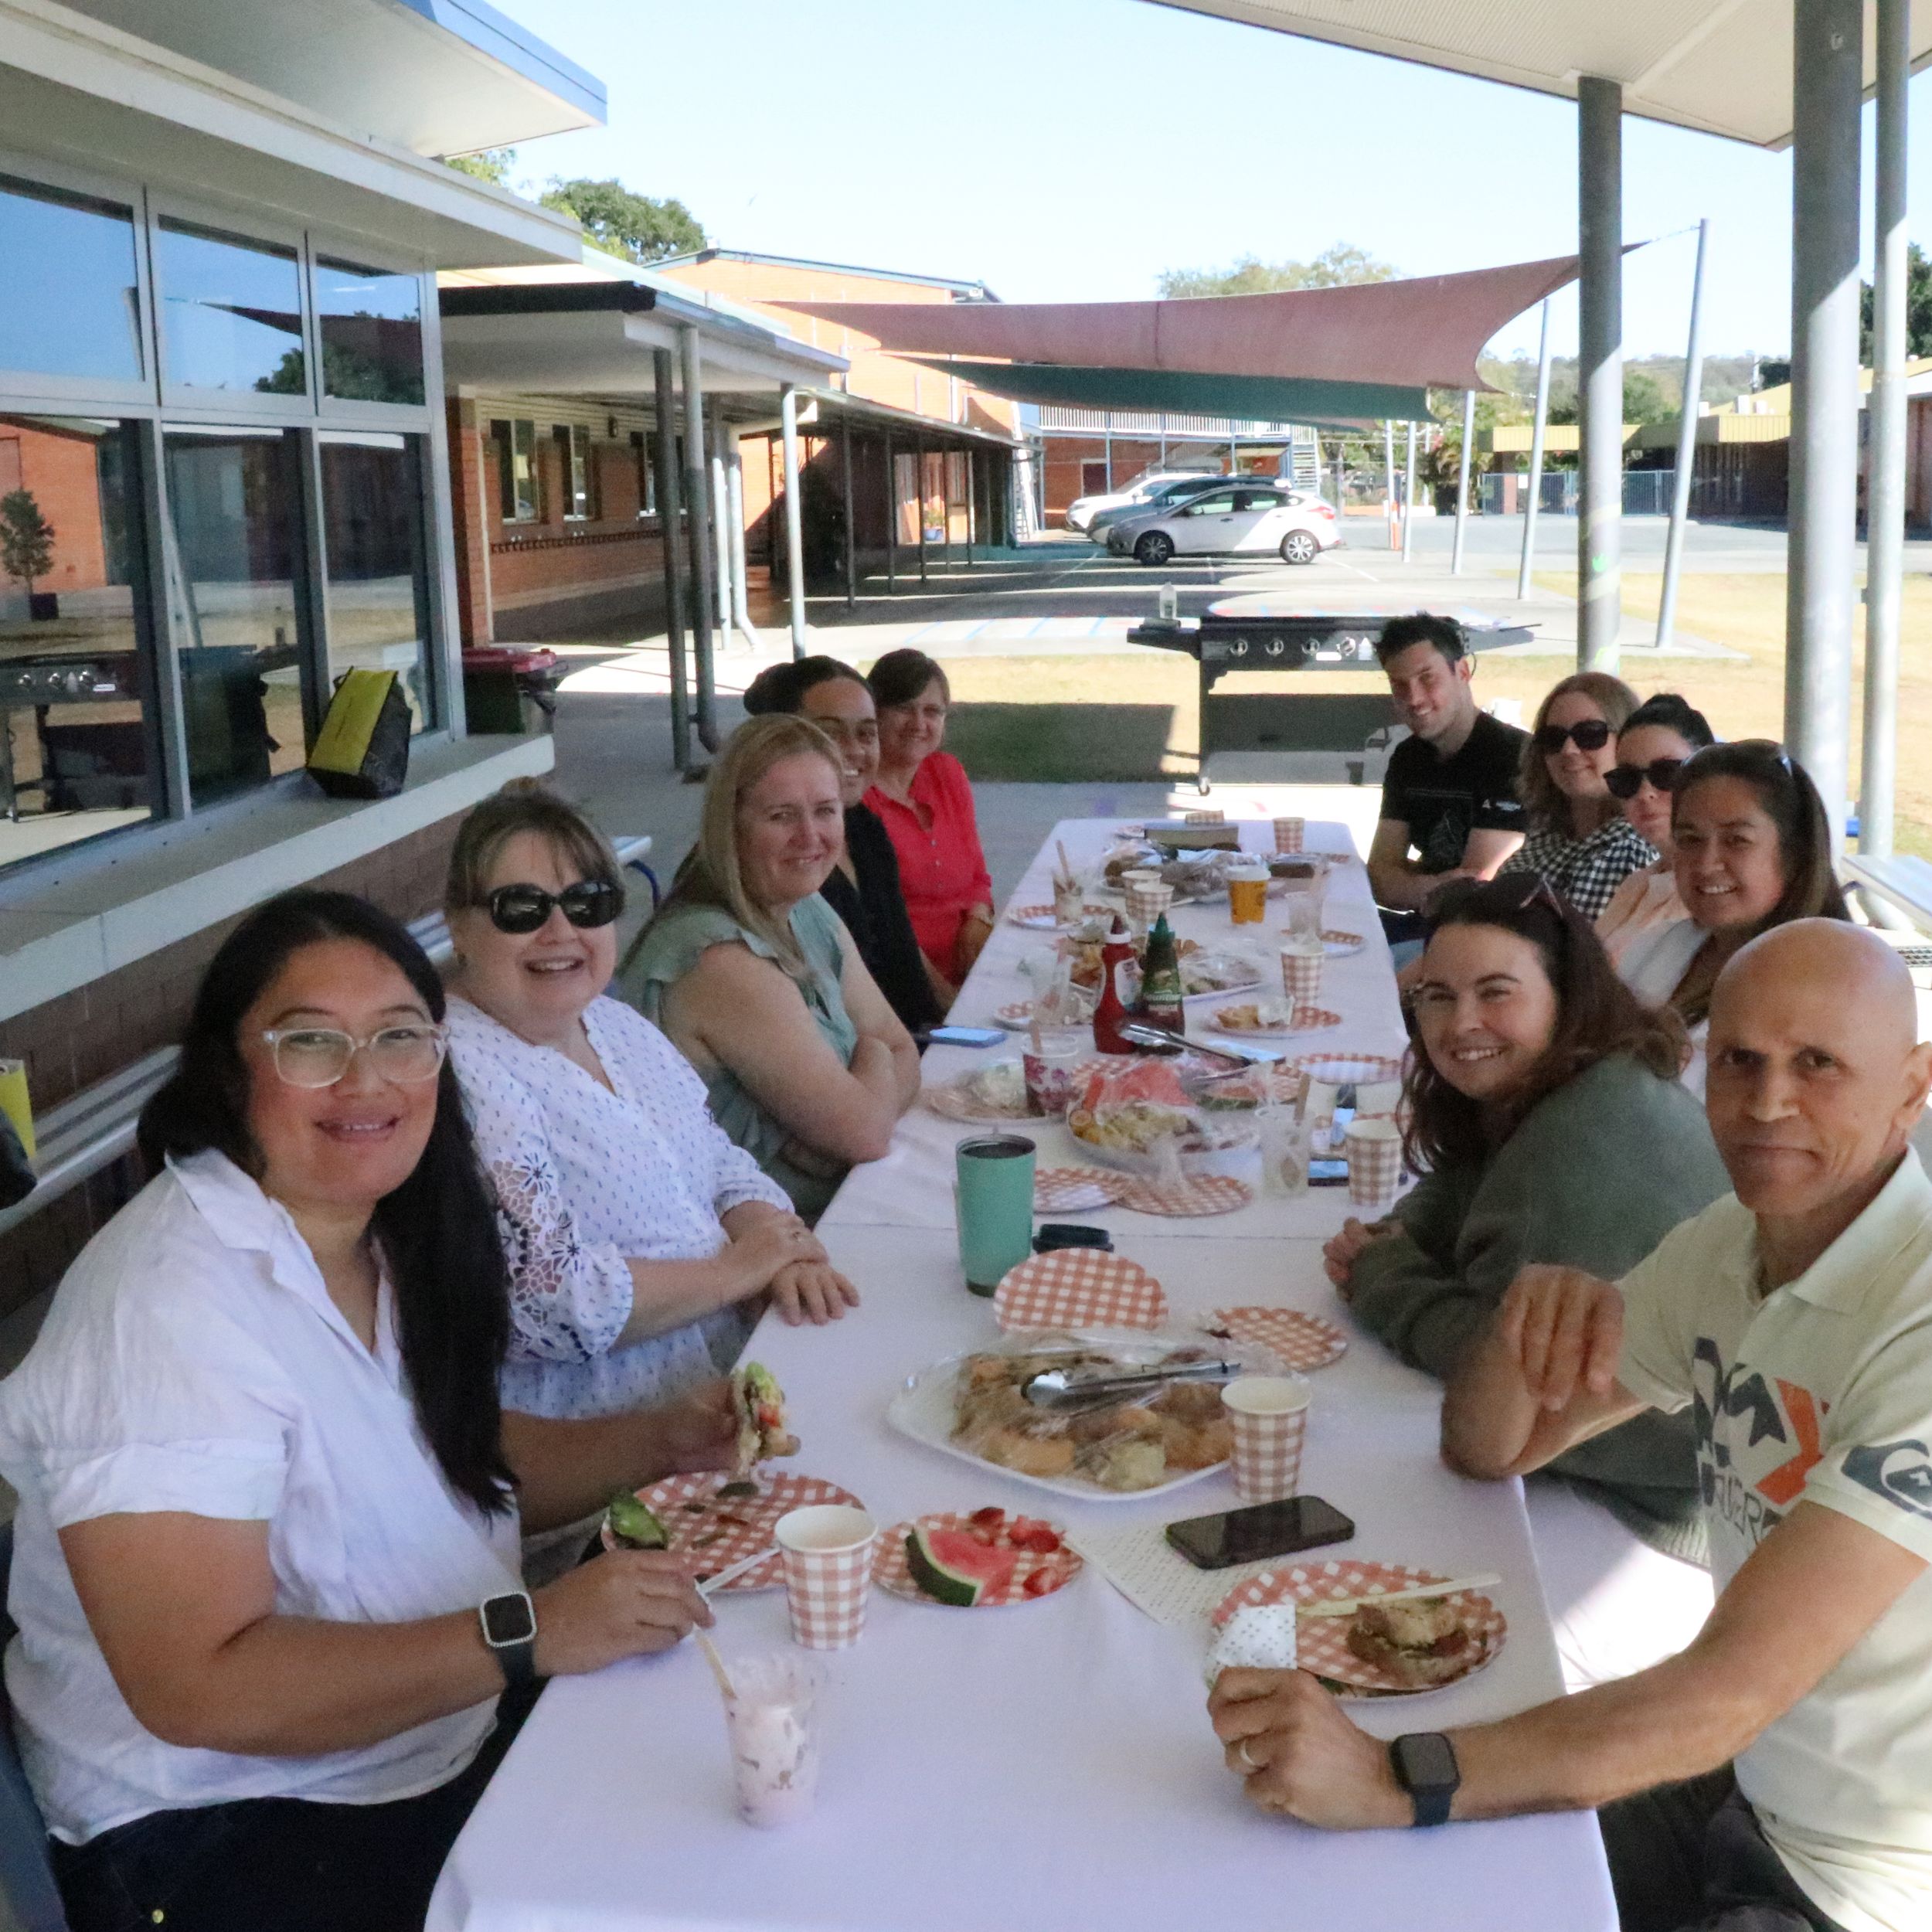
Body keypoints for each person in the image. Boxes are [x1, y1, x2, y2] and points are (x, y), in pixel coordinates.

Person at [0, 892, 736, 1932]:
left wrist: (663, 1441)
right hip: (224, 1830)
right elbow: (200, 1687)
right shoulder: (165, 1309)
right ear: (227, 1068)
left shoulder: (373, 1230)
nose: (367, 1079)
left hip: (424, 1737)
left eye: (402, 1037)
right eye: (312, 1043)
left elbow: (449, 1456)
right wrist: (531, 1631)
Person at [1211, 922, 1932, 1932]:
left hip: (1859, 1888)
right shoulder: (1732, 1243)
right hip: (1745, 1794)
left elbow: (1728, 1692)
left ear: (1912, 1087)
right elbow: (1487, 1447)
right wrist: (1523, 1322)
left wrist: (1389, 1774)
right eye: (1740, 1062)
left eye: (1818, 1065)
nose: (1769, 1103)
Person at [1326, 874, 1728, 1684]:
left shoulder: (1579, 1154)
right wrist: (1403, 1233)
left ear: (1564, 994)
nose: (1459, 1023)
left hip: (1675, 1523)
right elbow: (1473, 1167)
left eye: (1494, 993)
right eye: (1436, 996)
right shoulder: (1590, 1072)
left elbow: (1489, 1367)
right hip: (1649, 1464)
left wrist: (1380, 1273)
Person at [443, 786, 859, 1436]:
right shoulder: (460, 1070)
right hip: (609, 1450)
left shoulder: (613, 1023)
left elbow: (718, 1159)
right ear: (459, 925)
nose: (561, 931)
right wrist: (739, 1269)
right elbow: (551, 1301)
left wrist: (781, 1245)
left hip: (730, 1385)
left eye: (589, 903)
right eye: (521, 908)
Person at [617, 714, 921, 1222]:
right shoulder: (716, 958)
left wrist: (871, 1079)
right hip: (769, 1252)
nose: (811, 836)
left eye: (825, 811)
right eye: (782, 816)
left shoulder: (805, 907)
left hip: (839, 1207)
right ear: (731, 825)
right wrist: (875, 1058)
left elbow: (902, 1046)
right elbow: (865, 1132)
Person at [1618, 740, 1849, 1097]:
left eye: (1737, 841)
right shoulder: (1659, 942)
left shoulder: (1828, 988)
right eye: (1690, 839)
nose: (1707, 864)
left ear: (1795, 853)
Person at [743, 655, 944, 1035]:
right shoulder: (785, 858)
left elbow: (906, 968)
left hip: (908, 1047)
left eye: (866, 733)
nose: (853, 750)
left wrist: (949, 1031)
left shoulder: (864, 828)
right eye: (830, 733)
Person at [1365, 614, 1529, 950]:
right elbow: (1379, 876)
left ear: (1463, 672)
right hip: (1425, 924)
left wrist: (1411, 883)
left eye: (1427, 679)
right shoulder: (1408, 758)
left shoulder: (1513, 757)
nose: (1413, 699)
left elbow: (1476, 888)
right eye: (1400, 685)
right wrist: (1438, 886)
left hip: (1489, 937)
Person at [864, 648, 995, 1004]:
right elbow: (886, 928)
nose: (919, 724)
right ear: (874, 715)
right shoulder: (859, 803)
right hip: (903, 985)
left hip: (969, 967)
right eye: (904, 708)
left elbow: (978, 878)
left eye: (932, 711)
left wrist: (977, 919)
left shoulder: (946, 773)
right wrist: (947, 1001)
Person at [1498, 672, 1656, 921]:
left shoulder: (1641, 854)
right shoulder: (1539, 843)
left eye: (1590, 734)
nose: (1569, 750)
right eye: (1553, 738)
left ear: (1628, 741)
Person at [1594, 693, 1717, 967]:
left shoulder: (1717, 891)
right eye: (1626, 779)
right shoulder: (1637, 885)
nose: (1645, 793)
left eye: (1667, 773)